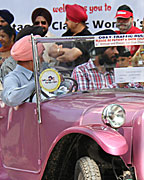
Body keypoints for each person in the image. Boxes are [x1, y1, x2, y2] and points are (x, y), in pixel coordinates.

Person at [1, 35, 44, 107]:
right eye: (41, 55)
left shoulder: (39, 74)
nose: (42, 59)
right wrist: (37, 83)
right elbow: (11, 99)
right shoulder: (12, 78)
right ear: (33, 59)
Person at [48, 4, 92, 70]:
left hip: (80, 75)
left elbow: (71, 56)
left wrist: (58, 52)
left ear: (76, 21)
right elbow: (51, 52)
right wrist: (64, 51)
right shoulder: (66, 35)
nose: (65, 22)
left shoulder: (87, 37)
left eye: (67, 20)